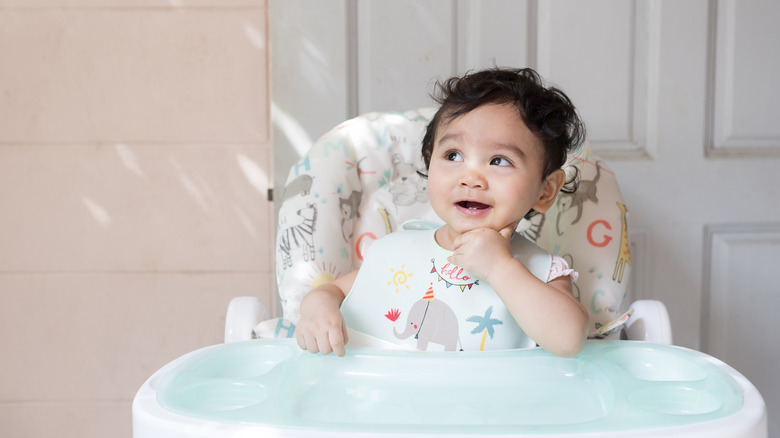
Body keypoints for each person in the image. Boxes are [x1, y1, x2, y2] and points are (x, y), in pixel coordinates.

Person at [295, 67, 589, 358]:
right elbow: (333, 292)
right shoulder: (396, 252)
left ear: (545, 190)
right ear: (429, 162)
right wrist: (318, 306)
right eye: (453, 155)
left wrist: (500, 268)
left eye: (499, 160)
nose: (471, 177)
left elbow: (569, 340)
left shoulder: (541, 272)